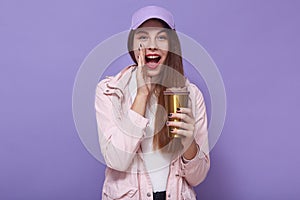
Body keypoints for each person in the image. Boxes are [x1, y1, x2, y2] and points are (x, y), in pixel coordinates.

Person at [95, 5, 210, 200]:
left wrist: (189, 142)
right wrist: (142, 94)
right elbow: (117, 160)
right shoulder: (110, 92)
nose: (152, 45)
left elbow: (197, 177)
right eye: (143, 37)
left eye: (161, 37)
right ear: (133, 44)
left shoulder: (190, 95)